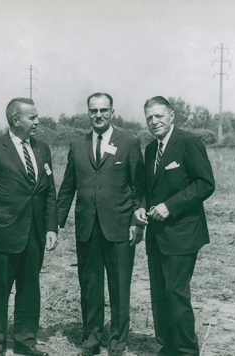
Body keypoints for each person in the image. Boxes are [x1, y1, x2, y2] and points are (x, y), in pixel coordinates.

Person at [57, 93, 145, 356]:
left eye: (103, 110)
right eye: (93, 110)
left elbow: (138, 187)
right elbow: (67, 187)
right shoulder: (77, 144)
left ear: (112, 111)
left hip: (119, 228)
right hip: (87, 229)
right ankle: (92, 339)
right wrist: (54, 224)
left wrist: (136, 222)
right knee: (90, 285)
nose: (98, 115)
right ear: (88, 112)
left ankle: (118, 342)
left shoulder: (129, 143)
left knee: (120, 287)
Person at [0, 98, 58, 356]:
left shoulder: (42, 148)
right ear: (15, 120)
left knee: (30, 290)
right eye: (32, 117)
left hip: (34, 235)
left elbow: (49, 192)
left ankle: (25, 342)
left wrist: (51, 227)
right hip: (3, 235)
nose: (37, 121)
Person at [135, 96, 215, 356]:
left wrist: (170, 206)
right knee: (160, 296)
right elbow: (145, 189)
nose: (154, 121)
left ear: (171, 116)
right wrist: (140, 206)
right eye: (149, 117)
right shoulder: (150, 150)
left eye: (159, 116)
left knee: (176, 294)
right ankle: (166, 348)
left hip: (183, 234)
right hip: (157, 237)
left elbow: (205, 183)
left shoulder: (188, 142)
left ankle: (186, 351)